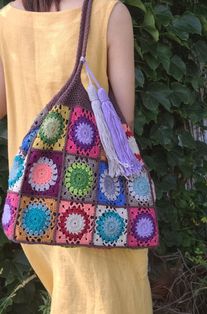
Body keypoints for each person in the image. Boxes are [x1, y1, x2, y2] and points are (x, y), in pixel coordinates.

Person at [0, 0, 153, 313]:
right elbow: (123, 124)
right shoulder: (109, 14)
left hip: (36, 199)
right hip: (98, 205)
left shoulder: (7, 20)